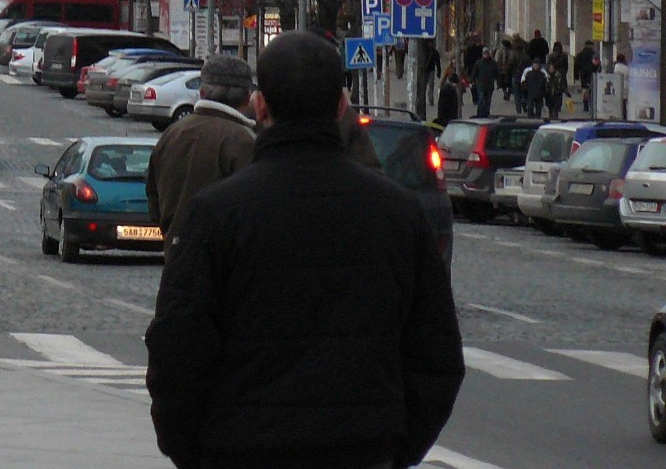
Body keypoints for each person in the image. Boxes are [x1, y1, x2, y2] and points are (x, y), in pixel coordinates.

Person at [145, 31, 464, 469]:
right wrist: (395, 448)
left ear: (260, 107)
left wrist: (195, 451)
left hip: (241, 450)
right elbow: (437, 355)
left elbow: (177, 350)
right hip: (363, 450)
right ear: (340, 107)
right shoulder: (398, 214)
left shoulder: (216, 213)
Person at [144, 54, 257, 243]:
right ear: (247, 98)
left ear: (202, 93)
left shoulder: (172, 133)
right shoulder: (244, 140)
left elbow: (153, 202)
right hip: (225, 260)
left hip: (176, 254)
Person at [471, 46, 499, 118]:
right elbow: (474, 72)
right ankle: (480, 113)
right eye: (484, 54)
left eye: (486, 53)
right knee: (481, 99)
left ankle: (486, 113)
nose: (485, 55)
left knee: (488, 100)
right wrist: (472, 81)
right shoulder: (479, 63)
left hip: (489, 84)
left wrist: (498, 82)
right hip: (481, 84)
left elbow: (496, 73)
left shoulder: (493, 63)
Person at [575, 42, 600, 115]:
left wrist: (576, 75)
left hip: (584, 76)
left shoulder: (580, 54)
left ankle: (586, 107)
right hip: (590, 76)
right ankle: (591, 106)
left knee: (585, 93)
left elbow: (576, 65)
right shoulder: (593, 54)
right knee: (592, 93)